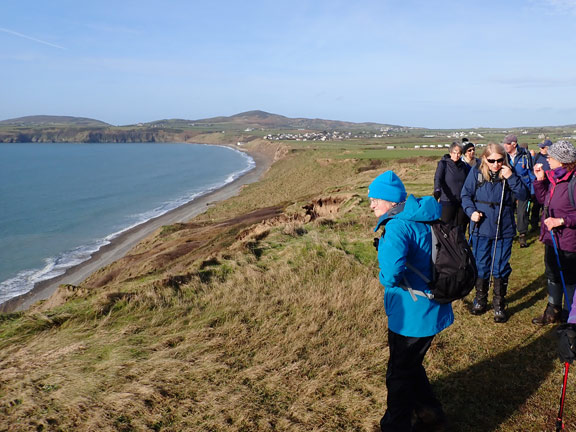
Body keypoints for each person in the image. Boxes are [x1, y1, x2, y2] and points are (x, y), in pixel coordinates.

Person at [369, 171, 453, 432]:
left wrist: (383, 271)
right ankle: (431, 414)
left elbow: (391, 275)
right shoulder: (423, 214)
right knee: (411, 365)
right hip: (432, 306)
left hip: (411, 316)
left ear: (391, 201)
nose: (371, 204)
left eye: (375, 199)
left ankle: (395, 425)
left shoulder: (396, 226)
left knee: (398, 376)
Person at [461, 143, 529, 322]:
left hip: (503, 228)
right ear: (485, 158)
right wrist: (471, 212)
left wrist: (512, 177)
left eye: (499, 160)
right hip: (481, 227)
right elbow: (465, 195)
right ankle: (480, 300)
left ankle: (499, 304)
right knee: (481, 265)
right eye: (491, 160)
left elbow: (524, 195)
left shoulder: (509, 172)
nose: (496, 164)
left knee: (500, 266)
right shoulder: (475, 172)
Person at [531, 140, 576, 325]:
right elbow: (543, 201)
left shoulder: (573, 182)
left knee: (570, 280)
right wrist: (540, 180)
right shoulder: (554, 177)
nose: (547, 158)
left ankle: (569, 316)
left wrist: (562, 221)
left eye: (552, 156)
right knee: (552, 275)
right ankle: (553, 310)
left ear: (563, 160)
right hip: (552, 239)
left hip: (569, 242)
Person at [502, 134, 535, 248]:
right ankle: (509, 234)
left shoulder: (525, 154)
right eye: (504, 143)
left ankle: (522, 235)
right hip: (508, 188)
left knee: (522, 213)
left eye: (507, 143)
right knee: (508, 211)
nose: (505, 146)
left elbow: (530, 172)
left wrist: (532, 190)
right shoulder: (503, 156)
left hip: (523, 188)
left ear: (514, 144)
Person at [433, 142, 470, 231]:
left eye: (459, 153)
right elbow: (438, 178)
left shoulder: (463, 166)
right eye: (454, 152)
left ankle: (458, 244)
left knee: (460, 227)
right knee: (446, 227)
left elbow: (468, 182)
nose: (457, 155)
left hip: (461, 202)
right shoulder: (444, 164)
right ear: (450, 153)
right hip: (447, 201)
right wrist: (437, 190)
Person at [530, 139, 552, 232]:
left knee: (547, 206)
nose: (540, 148)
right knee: (536, 206)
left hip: (550, 184)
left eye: (542, 147)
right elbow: (532, 168)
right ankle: (534, 225)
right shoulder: (538, 156)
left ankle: (547, 225)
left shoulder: (552, 157)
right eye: (540, 146)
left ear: (548, 148)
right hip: (539, 183)